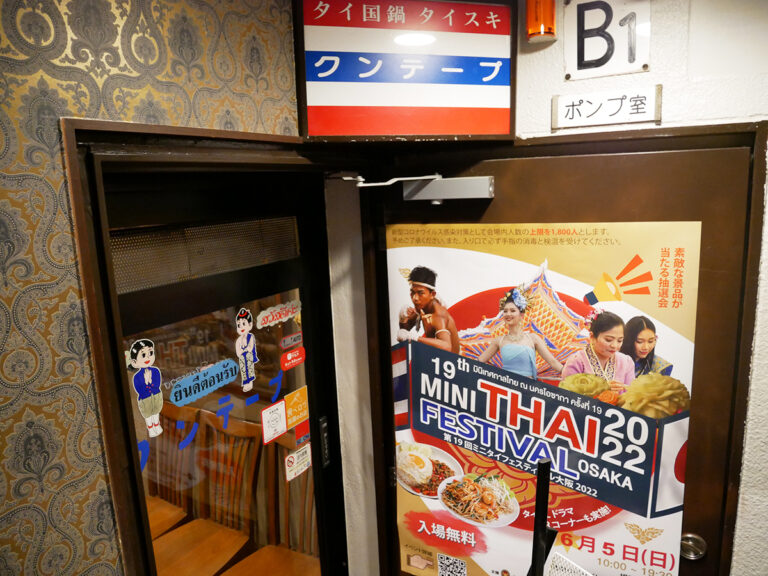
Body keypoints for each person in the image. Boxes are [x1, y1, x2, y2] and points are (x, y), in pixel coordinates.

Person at [478, 288, 563, 379]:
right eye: (505, 311)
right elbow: (478, 362)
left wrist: (571, 375)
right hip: (506, 384)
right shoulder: (498, 341)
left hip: (527, 386)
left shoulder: (533, 338)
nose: (508, 314)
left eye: (512, 310)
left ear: (521, 315)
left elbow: (553, 362)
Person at [561, 310, 635, 388]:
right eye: (608, 340)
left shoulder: (627, 362)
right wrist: (601, 390)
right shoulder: (577, 362)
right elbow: (566, 393)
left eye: (619, 340)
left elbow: (631, 393)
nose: (614, 345)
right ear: (592, 337)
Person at [397, 266, 460, 354]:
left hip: (452, 361)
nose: (415, 298)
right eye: (412, 292)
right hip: (436, 357)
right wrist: (403, 318)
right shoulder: (422, 306)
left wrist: (415, 338)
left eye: (420, 293)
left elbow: (446, 347)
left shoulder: (438, 314)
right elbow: (404, 332)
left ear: (432, 294)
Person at [129, 339, 163, 437]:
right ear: (134, 362)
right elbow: (139, 390)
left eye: (150, 353)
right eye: (143, 355)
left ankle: (157, 425)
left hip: (156, 395)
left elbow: (157, 384)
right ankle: (150, 428)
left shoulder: (155, 371)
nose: (148, 357)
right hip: (144, 398)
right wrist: (147, 383)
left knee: (156, 410)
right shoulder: (136, 377)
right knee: (147, 413)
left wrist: (150, 381)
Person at [235, 308, 259, 392]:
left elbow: (250, 347)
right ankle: (246, 384)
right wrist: (242, 352)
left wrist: (245, 349)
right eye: (239, 325)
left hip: (249, 357)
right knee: (244, 371)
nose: (241, 327)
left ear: (250, 324)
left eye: (244, 323)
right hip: (242, 358)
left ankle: (250, 384)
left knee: (250, 369)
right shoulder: (238, 340)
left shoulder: (251, 337)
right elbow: (238, 352)